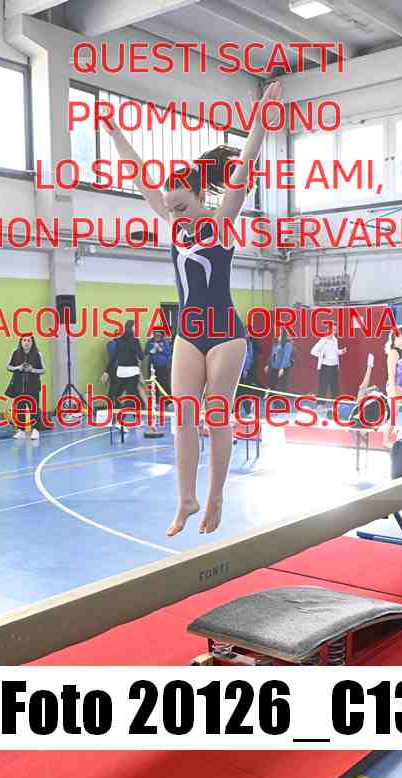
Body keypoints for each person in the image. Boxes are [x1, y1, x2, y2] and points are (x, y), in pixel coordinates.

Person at [104, 81, 281, 536]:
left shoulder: (223, 224)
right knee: (182, 419)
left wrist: (261, 118)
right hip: (187, 333)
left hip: (226, 335)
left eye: (181, 206)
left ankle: (216, 494)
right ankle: (186, 498)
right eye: (169, 209)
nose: (175, 215)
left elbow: (244, 166)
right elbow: (140, 175)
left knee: (215, 415)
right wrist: (115, 134)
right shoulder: (174, 226)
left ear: (202, 197)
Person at [6, 335, 45, 440]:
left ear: (32, 343)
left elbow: (43, 370)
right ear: (21, 342)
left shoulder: (38, 354)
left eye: (29, 340)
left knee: (34, 408)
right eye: (24, 340)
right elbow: (8, 366)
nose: (26, 342)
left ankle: (35, 430)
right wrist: (18, 368)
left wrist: (32, 370)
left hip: (33, 386)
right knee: (20, 408)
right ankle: (22, 430)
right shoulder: (15, 353)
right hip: (19, 386)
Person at [101, 320, 143, 412]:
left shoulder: (118, 342)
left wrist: (106, 371)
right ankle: (122, 413)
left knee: (124, 392)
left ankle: (135, 410)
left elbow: (113, 357)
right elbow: (140, 356)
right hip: (126, 371)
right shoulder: (133, 341)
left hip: (120, 371)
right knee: (128, 394)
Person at [310, 324, 347, 401]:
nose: (334, 332)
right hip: (325, 366)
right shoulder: (323, 340)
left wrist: (341, 351)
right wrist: (321, 355)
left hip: (334, 366)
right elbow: (313, 351)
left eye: (335, 330)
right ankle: (320, 404)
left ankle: (336, 404)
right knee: (323, 387)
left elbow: (335, 351)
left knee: (335, 387)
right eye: (332, 330)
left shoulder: (335, 340)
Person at [264, 330, 294, 398]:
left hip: (284, 368)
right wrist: (268, 365)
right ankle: (271, 396)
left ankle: (282, 398)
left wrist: (282, 368)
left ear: (283, 336)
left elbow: (286, 357)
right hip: (275, 366)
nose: (278, 336)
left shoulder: (288, 345)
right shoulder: (276, 344)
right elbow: (272, 355)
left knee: (283, 384)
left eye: (280, 335)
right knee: (272, 382)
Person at [144, 331, 172, 401]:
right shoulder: (150, 342)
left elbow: (168, 354)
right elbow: (145, 352)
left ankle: (169, 400)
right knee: (153, 384)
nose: (157, 336)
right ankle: (155, 401)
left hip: (163, 367)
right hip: (153, 367)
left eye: (158, 335)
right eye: (155, 335)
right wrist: (151, 350)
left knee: (165, 384)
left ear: (161, 335)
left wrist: (160, 349)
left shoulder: (165, 342)